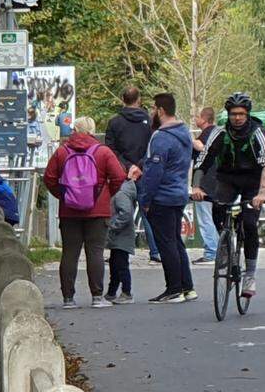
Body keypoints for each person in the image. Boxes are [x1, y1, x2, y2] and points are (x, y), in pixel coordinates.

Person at [44, 117, 126, 309]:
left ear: (75, 130)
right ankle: (97, 296)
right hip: (98, 211)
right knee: (95, 253)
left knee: (69, 253)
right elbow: (119, 176)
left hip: (69, 211)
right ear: (92, 130)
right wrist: (105, 194)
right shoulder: (103, 152)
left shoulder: (62, 152)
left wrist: (64, 195)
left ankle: (68, 299)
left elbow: (49, 178)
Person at [199, 92, 265, 298]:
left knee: (249, 224)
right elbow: (203, 160)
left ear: (247, 114)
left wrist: (261, 193)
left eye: (241, 114)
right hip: (228, 179)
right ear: (228, 115)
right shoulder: (220, 133)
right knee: (217, 206)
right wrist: (196, 187)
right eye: (233, 114)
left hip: (252, 182)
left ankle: (250, 274)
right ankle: (225, 246)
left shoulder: (258, 133)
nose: (237, 118)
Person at [139, 93, 196, 303]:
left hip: (162, 197)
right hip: (179, 193)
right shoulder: (184, 132)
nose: (152, 112)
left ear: (161, 110)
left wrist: (145, 200)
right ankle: (187, 286)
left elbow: (154, 171)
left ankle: (173, 289)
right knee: (176, 241)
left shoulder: (162, 137)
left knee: (166, 244)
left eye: (154, 108)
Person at [105, 86, 160, 263]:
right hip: (144, 173)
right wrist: (139, 165)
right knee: (148, 212)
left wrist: (124, 166)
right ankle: (155, 251)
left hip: (121, 173)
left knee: (121, 211)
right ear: (139, 99)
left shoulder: (114, 122)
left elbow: (110, 148)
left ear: (123, 99)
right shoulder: (149, 121)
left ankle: (117, 250)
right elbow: (153, 146)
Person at [190, 107, 220, 265]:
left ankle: (211, 252)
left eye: (197, 117)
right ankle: (221, 250)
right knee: (213, 219)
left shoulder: (206, 134)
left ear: (204, 119)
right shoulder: (217, 133)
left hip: (204, 184)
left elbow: (202, 148)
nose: (195, 119)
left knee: (205, 218)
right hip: (216, 182)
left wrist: (192, 141)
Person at [105, 167, 140, 305]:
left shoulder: (121, 193)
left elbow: (125, 213)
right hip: (119, 236)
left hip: (121, 236)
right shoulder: (122, 190)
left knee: (120, 265)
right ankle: (111, 292)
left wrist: (112, 226)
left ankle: (126, 292)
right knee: (115, 264)